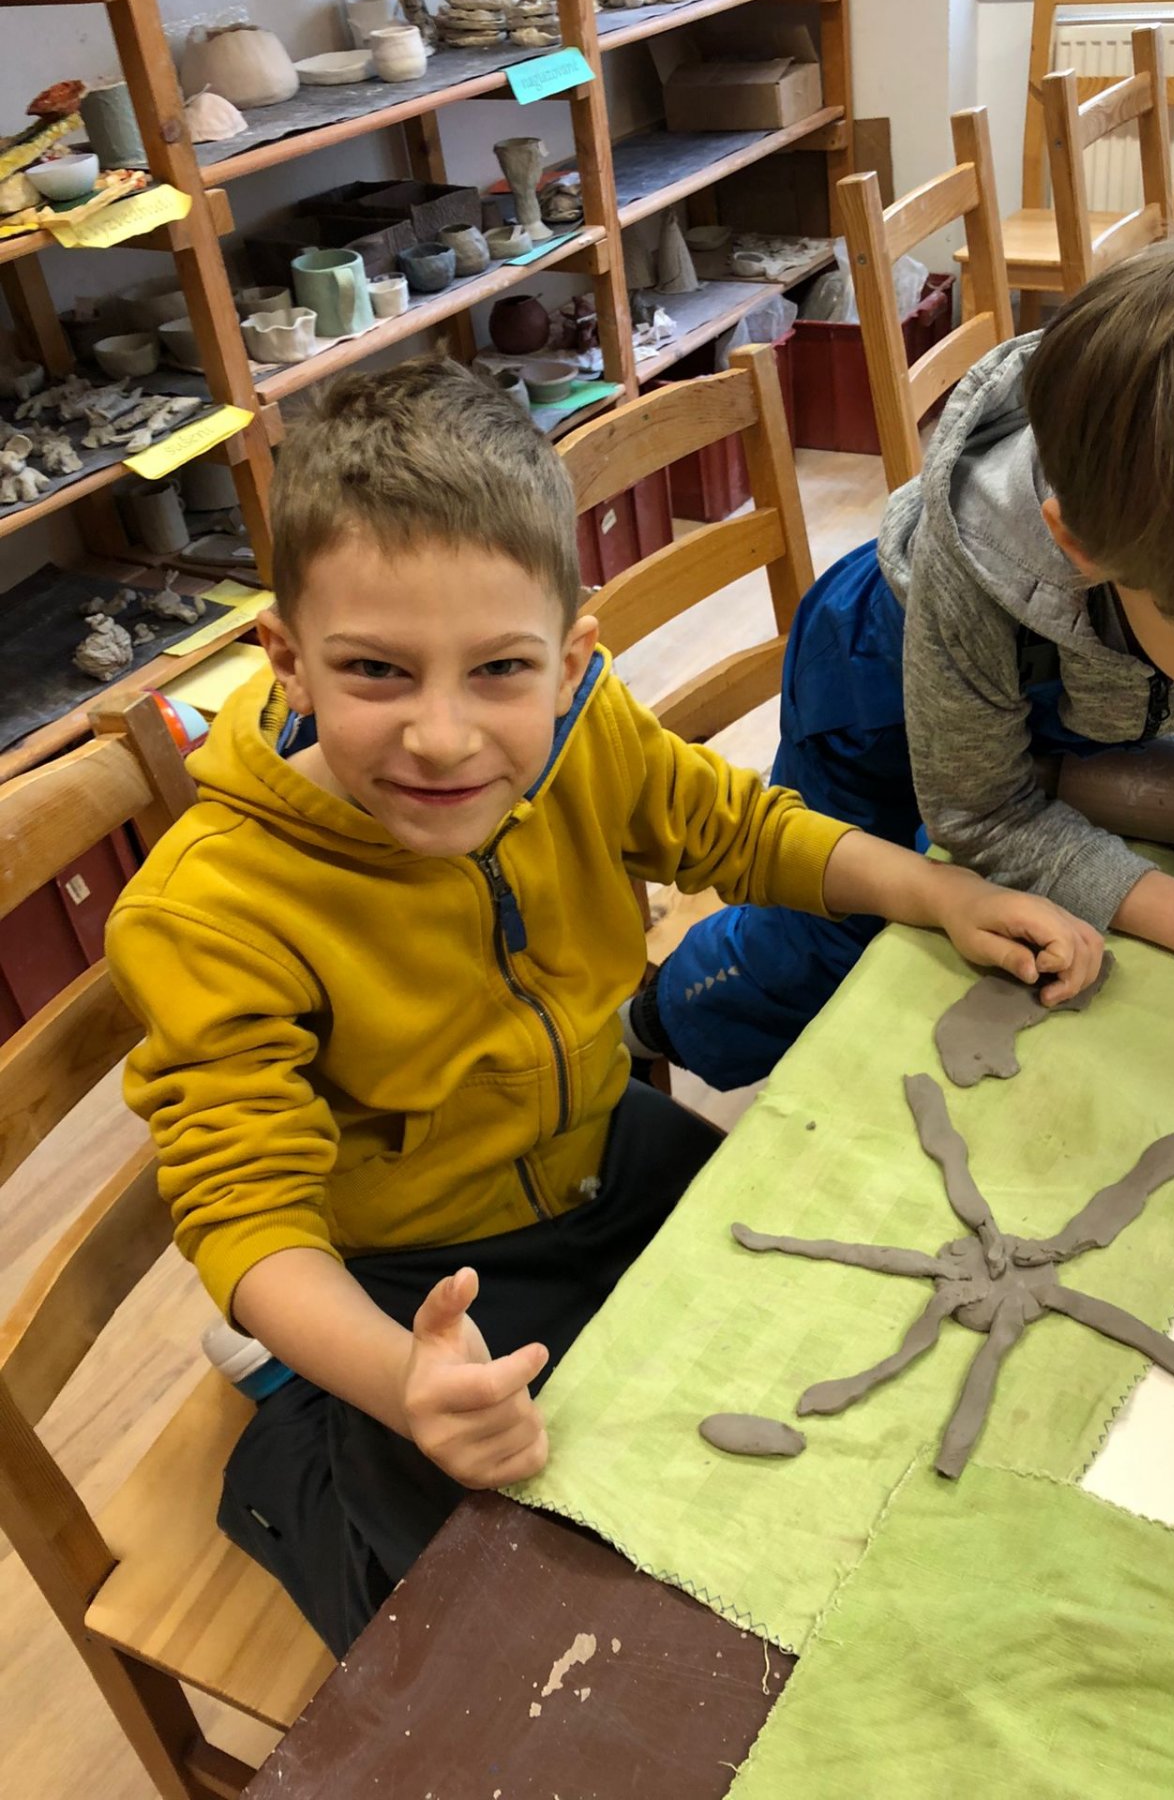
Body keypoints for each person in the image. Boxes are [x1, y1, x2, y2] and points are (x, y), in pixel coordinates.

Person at [107, 357, 1101, 1656]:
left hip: (602, 1152)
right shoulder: (211, 911)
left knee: (832, 1333)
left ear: (571, 659)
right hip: (414, 1265)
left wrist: (939, 892)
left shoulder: (586, 730)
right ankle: (294, 1425)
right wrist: (406, 1379)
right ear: (289, 662)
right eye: (377, 672)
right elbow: (246, 1211)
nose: (444, 737)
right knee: (478, 1612)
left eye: (498, 670)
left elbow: (739, 828)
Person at [638, 224, 1174, 1091]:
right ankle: (654, 1019)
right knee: (840, 938)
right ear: (1080, 546)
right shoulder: (979, 581)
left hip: (1057, 694)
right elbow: (984, 816)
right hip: (877, 692)